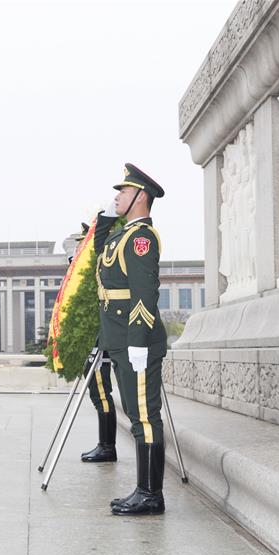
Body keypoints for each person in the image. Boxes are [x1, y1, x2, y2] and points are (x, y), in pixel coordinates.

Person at [93, 163, 168, 515]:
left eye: (123, 192)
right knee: (137, 414)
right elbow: (99, 252)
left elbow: (144, 294)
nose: (117, 196)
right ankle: (143, 489)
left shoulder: (141, 239)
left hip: (135, 339)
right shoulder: (123, 234)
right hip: (120, 338)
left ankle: (150, 493)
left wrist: (138, 341)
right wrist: (107, 215)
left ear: (141, 196)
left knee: (145, 416)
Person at [68, 224, 117, 464]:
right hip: (92, 338)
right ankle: (104, 444)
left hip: (101, 338)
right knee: (98, 394)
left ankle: (107, 446)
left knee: (102, 394)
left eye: (81, 243)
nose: (78, 247)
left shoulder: (101, 267)